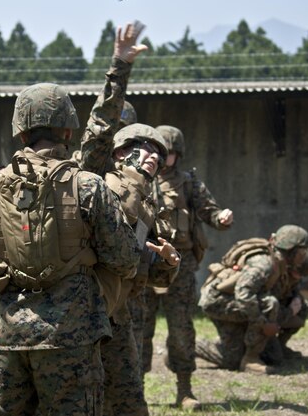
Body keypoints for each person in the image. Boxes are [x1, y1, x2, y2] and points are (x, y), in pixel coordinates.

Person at [0, 63, 143, 413]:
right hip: (72, 336)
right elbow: (125, 259)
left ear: (20, 134)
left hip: (5, 336)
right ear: (68, 132)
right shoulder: (88, 187)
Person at [142, 124, 233, 410]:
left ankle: (184, 391)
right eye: (156, 150)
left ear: (177, 155)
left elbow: (209, 210)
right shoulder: (138, 180)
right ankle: (136, 391)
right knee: (139, 330)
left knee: (181, 330)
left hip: (180, 266)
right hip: (144, 265)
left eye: (166, 152)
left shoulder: (189, 183)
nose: (160, 156)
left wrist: (221, 219)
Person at [100, 123, 181, 416]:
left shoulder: (146, 202)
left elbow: (145, 268)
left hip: (124, 311)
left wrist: (169, 261)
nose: (155, 157)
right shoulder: (101, 186)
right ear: (121, 151)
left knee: (128, 398)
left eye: (159, 154)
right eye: (146, 147)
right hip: (93, 311)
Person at [195, 224, 308, 375]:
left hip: (236, 303)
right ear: (292, 251)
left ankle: (247, 350)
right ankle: (250, 359)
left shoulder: (280, 264)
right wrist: (263, 324)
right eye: (302, 252)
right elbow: (244, 294)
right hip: (218, 302)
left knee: (272, 357)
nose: (304, 256)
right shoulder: (264, 264)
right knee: (269, 304)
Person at [263, 244, 308, 365]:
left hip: (277, 313)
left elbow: (293, 292)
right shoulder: (273, 273)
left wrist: (295, 303)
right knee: (274, 359)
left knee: (303, 306)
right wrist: (290, 311)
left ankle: (279, 344)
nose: (299, 277)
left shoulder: (292, 274)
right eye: (297, 272)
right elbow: (268, 311)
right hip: (262, 319)